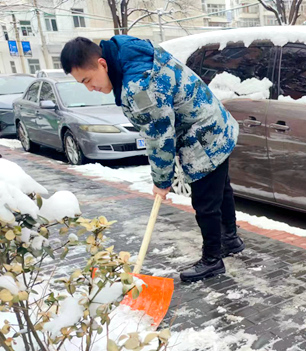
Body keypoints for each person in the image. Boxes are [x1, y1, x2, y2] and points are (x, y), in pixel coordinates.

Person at [60, 36, 245, 282]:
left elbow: (159, 138)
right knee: (221, 189)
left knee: (205, 201)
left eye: (88, 80)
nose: (90, 88)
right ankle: (230, 239)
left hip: (203, 135)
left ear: (103, 64)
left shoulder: (139, 86)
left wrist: (161, 181)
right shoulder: (128, 51)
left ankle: (212, 260)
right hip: (214, 121)